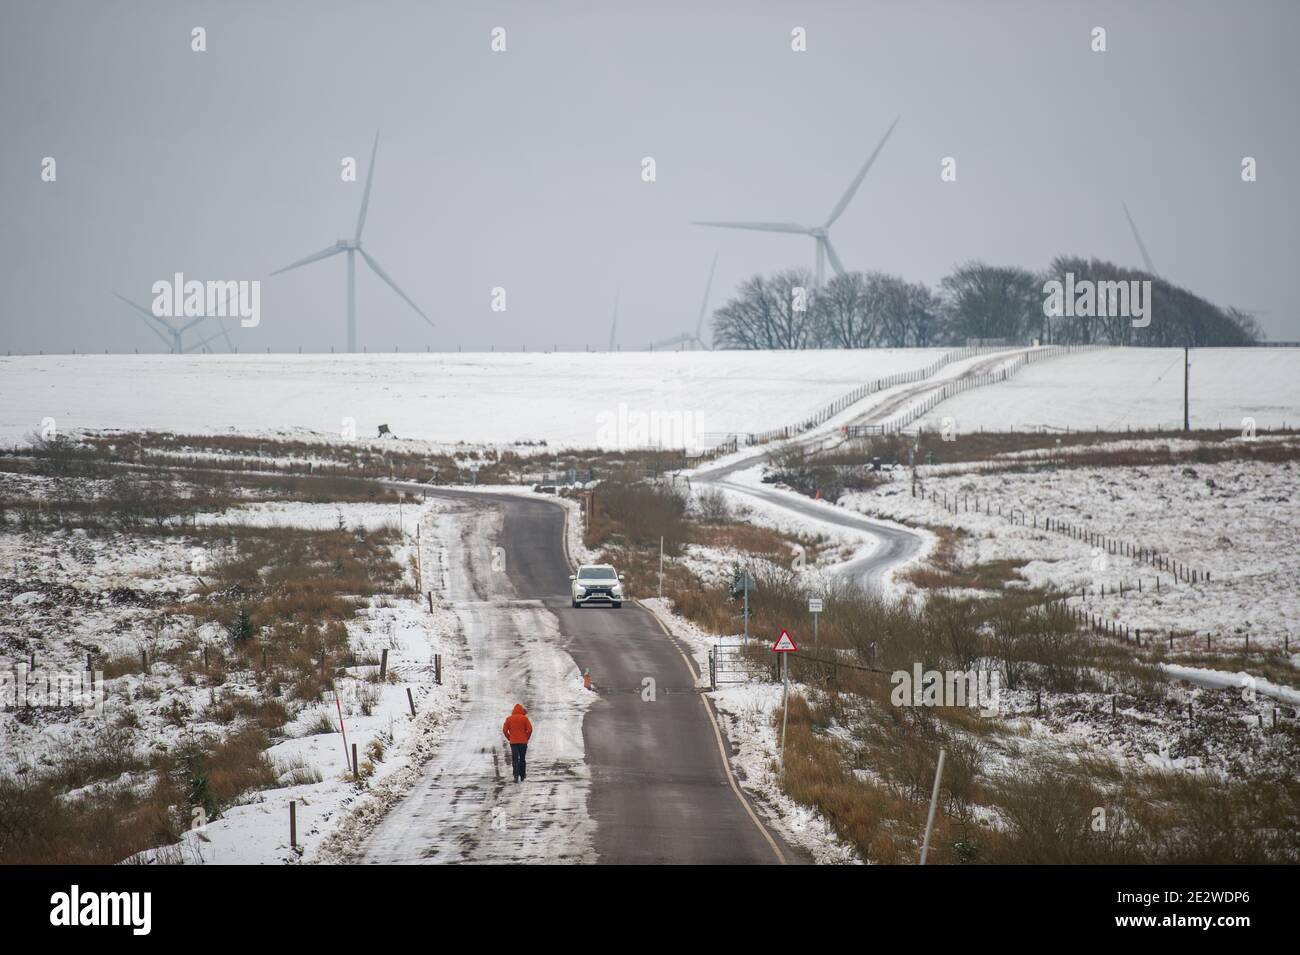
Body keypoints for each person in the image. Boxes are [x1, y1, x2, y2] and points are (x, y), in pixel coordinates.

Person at [502, 703, 533, 782]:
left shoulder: (509, 719)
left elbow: (505, 730)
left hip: (513, 743)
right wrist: (526, 737)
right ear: (521, 711)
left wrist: (509, 737)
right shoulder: (524, 719)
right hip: (523, 742)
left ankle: (516, 776)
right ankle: (522, 775)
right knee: (522, 759)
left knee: (515, 759)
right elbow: (530, 729)